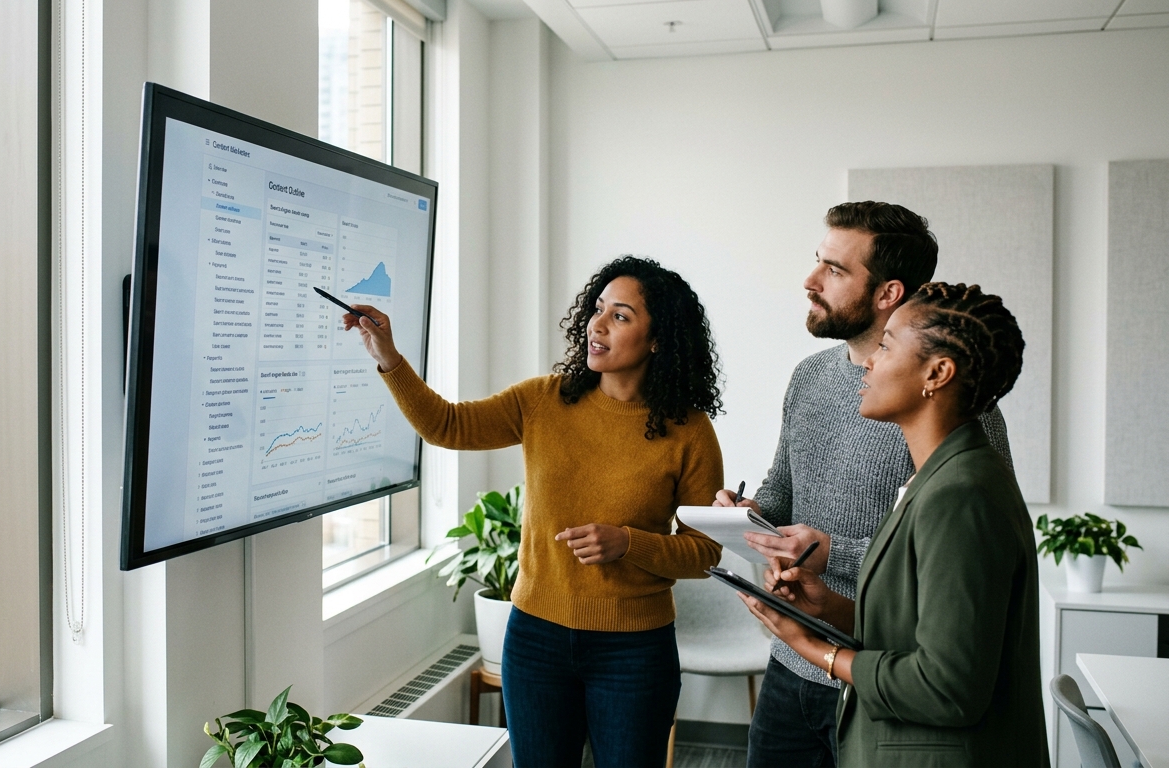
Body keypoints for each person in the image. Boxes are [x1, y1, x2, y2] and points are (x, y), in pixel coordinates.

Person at [342, 256, 725, 768]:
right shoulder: (545, 401)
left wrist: (628, 543)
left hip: (634, 651)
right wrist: (387, 355)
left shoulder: (689, 430)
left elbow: (705, 552)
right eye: (598, 308)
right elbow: (448, 426)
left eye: (621, 315)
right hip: (535, 639)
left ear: (658, 340)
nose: (597, 323)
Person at [714, 202, 1013, 767]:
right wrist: (748, 513)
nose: (811, 281)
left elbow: (960, 550)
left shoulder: (956, 414)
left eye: (835, 270)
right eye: (817, 262)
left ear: (887, 293)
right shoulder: (810, 377)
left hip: (888, 676)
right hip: (794, 664)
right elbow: (783, 489)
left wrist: (832, 553)